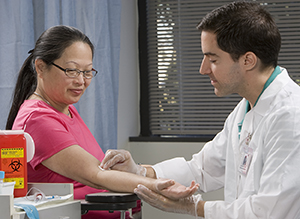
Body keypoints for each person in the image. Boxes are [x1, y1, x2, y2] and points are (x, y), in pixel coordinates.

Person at [100, 2, 300, 218]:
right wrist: (140, 172)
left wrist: (194, 207)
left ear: (248, 60)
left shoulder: (290, 116)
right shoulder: (246, 109)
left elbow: (271, 212)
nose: (203, 69)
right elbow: (203, 169)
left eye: (213, 59)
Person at [6, 25, 199, 219]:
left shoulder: (65, 109)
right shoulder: (37, 119)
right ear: (40, 67)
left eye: (88, 72)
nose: (81, 81)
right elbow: (96, 176)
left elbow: (100, 170)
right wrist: (157, 185)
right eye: (72, 70)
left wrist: (135, 170)